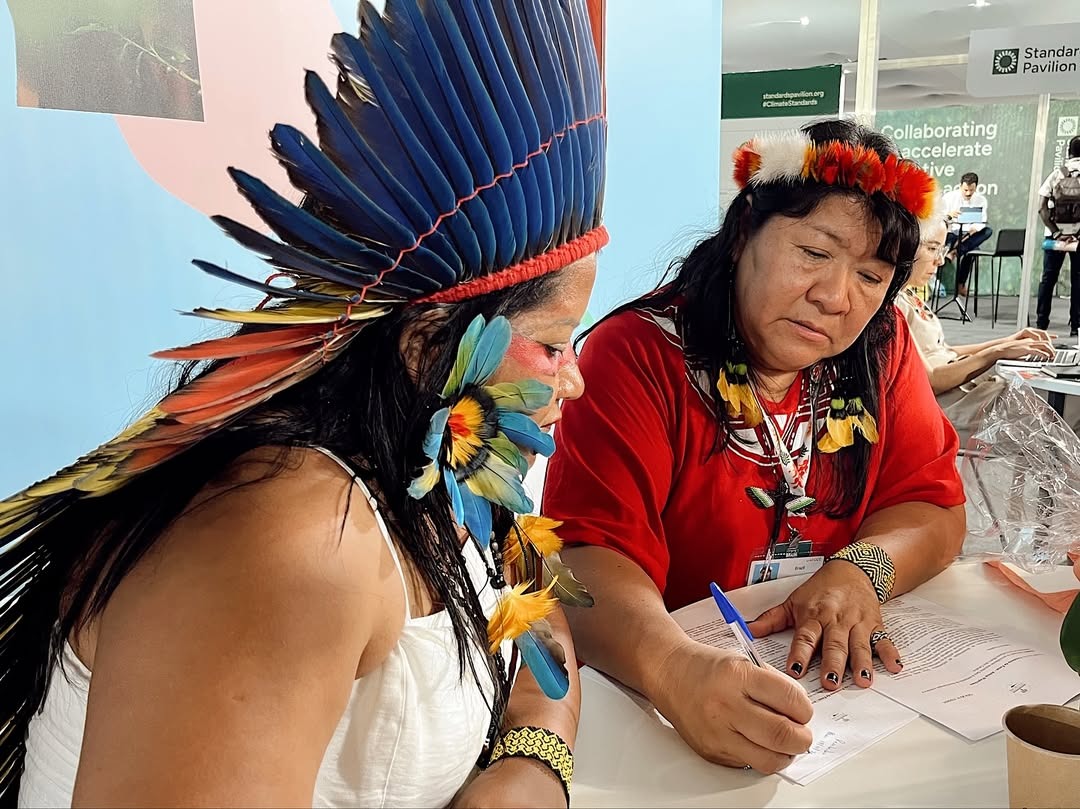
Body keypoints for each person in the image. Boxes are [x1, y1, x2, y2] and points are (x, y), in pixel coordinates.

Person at [0, 1, 607, 806]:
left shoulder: (447, 457)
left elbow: (538, 617)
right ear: (426, 342)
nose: (575, 380)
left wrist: (532, 761)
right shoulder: (295, 536)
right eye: (556, 344)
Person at [543, 119, 967, 774]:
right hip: (662, 706)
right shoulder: (638, 353)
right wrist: (671, 665)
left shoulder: (881, 349)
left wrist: (862, 570)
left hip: (834, 708)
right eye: (814, 253)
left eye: (870, 275)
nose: (835, 298)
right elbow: (585, 559)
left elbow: (933, 507)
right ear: (743, 232)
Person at [897, 217, 1055, 441]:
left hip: (956, 389)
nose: (939, 261)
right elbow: (932, 380)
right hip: (942, 403)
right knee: (1045, 405)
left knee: (1040, 396)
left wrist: (1009, 341)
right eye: (932, 249)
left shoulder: (908, 295)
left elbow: (946, 351)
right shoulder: (893, 306)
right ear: (903, 243)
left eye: (941, 250)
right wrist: (997, 352)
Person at [1036, 135, 1080, 338]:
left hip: (1054, 236)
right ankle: (1076, 326)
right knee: (1078, 279)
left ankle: (1041, 323)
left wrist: (1056, 233)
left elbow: (1041, 208)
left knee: (1048, 278)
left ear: (1068, 152)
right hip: (1078, 238)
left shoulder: (1057, 173)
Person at [942, 172, 993, 297]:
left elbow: (982, 221)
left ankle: (954, 251)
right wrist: (950, 215)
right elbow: (940, 218)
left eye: (971, 190)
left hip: (969, 234)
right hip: (952, 232)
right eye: (965, 190)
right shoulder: (949, 197)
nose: (968, 193)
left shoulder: (981, 200)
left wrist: (974, 228)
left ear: (976, 188)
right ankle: (961, 283)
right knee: (974, 250)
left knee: (987, 231)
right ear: (960, 186)